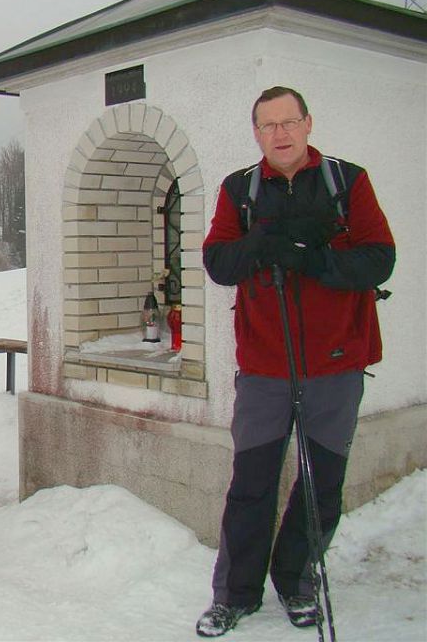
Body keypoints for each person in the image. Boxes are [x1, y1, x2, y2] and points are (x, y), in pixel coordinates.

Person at [196, 86, 394, 637]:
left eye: (289, 121)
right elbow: (217, 261)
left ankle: (297, 579)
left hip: (336, 363)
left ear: (308, 123)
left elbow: (380, 259)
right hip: (264, 366)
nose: (280, 133)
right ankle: (236, 594)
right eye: (268, 125)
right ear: (256, 133)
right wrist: (262, 243)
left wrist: (316, 259)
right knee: (250, 484)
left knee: (321, 483)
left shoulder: (346, 182)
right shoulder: (240, 190)